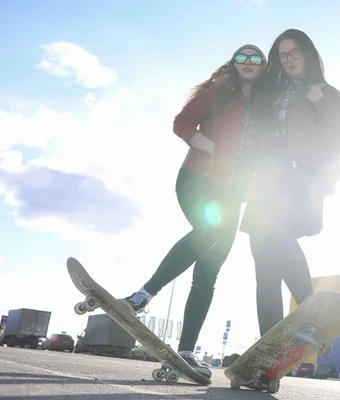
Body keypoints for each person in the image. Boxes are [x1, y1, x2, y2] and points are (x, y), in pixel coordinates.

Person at [117, 44, 266, 378]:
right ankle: (141, 297)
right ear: (233, 63)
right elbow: (182, 123)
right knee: (207, 233)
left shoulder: (264, 105)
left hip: (233, 193)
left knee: (209, 270)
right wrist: (212, 149)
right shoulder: (221, 89)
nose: (247, 62)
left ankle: (185, 351)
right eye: (241, 57)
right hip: (200, 177)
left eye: (255, 58)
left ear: (263, 67)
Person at [240, 29, 340, 339]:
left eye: (295, 52)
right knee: (264, 263)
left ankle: (312, 314)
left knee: (277, 236)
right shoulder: (274, 92)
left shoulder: (327, 92)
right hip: (267, 179)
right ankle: (268, 345)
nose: (289, 60)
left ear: (309, 53)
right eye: (283, 55)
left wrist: (320, 103)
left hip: (296, 176)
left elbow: (337, 141)